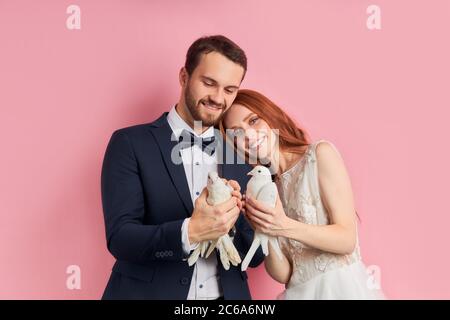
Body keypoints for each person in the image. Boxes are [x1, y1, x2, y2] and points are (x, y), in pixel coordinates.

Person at [101, 36, 264, 300]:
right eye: (209, 83)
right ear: (184, 76)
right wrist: (190, 231)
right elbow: (120, 238)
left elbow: (254, 257)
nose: (218, 98)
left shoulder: (239, 151)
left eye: (230, 89)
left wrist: (239, 223)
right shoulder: (129, 143)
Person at [220, 89, 385, 299]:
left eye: (253, 121)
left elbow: (347, 239)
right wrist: (264, 230)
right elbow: (285, 274)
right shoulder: (267, 188)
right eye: (237, 133)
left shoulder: (319, 155)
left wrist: (283, 225)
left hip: (342, 290)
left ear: (270, 115)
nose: (249, 137)